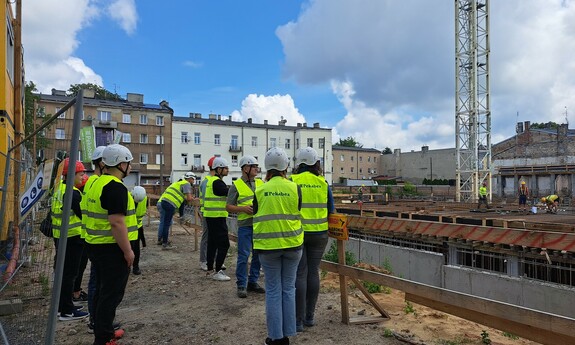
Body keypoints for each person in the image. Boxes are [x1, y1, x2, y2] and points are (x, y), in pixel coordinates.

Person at [84, 144, 137, 345]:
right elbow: (116, 222)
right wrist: (128, 251)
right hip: (111, 249)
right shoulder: (115, 187)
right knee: (110, 294)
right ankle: (104, 337)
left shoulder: (95, 183)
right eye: (129, 163)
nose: (130, 167)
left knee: (100, 291)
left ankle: (102, 329)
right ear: (122, 164)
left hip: (95, 245)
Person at [253, 147, 303, 345]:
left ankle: (276, 337)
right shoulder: (294, 187)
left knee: (273, 290)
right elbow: (297, 209)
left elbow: (254, 212)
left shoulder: (259, 189)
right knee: (288, 288)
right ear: (285, 167)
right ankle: (288, 332)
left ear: (267, 168)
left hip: (268, 247)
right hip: (293, 245)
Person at [291, 147, 335, 332]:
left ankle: (298, 321)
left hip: (299, 233)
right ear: (315, 163)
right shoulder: (323, 183)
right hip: (320, 234)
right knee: (313, 273)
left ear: (300, 163)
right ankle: (310, 317)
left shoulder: (292, 181)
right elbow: (331, 211)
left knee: (300, 274)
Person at [51, 158, 89, 321]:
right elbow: (83, 215)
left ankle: (63, 307)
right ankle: (67, 311)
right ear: (72, 174)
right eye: (81, 173)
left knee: (64, 274)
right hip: (73, 238)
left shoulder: (60, 189)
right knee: (69, 275)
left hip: (62, 237)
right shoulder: (72, 193)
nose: (83, 176)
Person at [226, 155, 265, 297]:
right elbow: (229, 207)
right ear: (245, 168)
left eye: (256, 166)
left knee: (258, 255)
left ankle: (252, 282)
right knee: (243, 255)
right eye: (253, 166)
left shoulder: (261, 183)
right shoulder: (236, 186)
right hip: (245, 226)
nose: (256, 169)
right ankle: (241, 285)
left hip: (259, 225)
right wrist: (242, 209)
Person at [205, 157, 231, 281]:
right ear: (218, 169)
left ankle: (210, 268)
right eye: (225, 168)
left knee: (212, 243)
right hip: (217, 217)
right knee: (224, 244)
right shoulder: (217, 182)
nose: (227, 170)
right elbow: (228, 193)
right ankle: (218, 270)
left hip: (211, 217)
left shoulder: (211, 181)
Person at [156, 171, 196, 249]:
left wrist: (182, 215)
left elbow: (183, 199)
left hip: (164, 201)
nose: (193, 182)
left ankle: (163, 240)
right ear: (190, 178)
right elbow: (188, 198)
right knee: (166, 224)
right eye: (193, 180)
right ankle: (165, 243)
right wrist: (193, 198)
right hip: (170, 204)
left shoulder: (178, 183)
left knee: (165, 223)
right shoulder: (186, 184)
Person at [199, 156, 216, 271]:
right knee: (206, 237)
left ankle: (213, 260)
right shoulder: (207, 181)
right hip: (207, 213)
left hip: (215, 214)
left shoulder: (211, 180)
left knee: (214, 237)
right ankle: (204, 261)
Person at [131, 186, 148, 275]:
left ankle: (135, 266)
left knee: (136, 248)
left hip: (137, 227)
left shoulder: (143, 198)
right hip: (128, 227)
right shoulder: (128, 198)